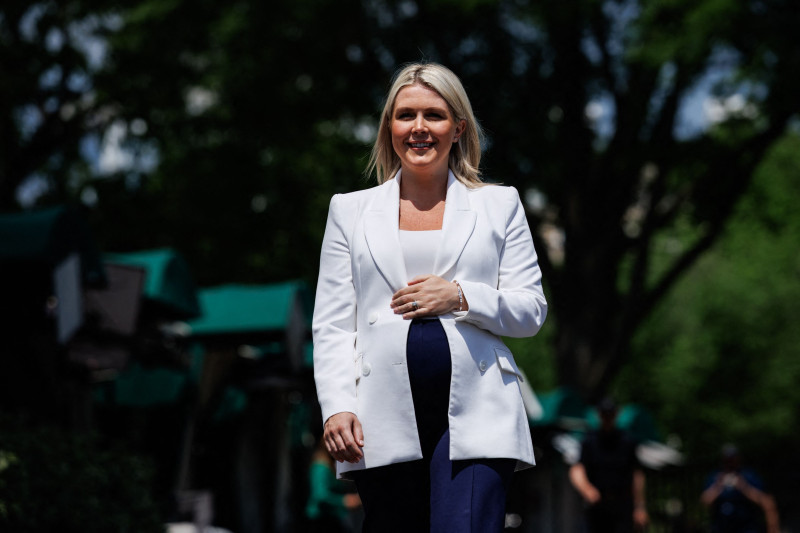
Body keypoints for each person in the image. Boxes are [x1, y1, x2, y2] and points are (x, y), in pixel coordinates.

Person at [312, 62, 548, 532]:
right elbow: (335, 324)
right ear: (389, 127)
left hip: (480, 413)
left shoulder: (500, 204)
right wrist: (337, 406)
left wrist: (460, 296)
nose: (419, 128)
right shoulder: (349, 211)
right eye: (405, 115)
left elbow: (531, 311)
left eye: (434, 115)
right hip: (380, 415)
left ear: (458, 128)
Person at [568, 398, 649, 533]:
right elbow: (577, 469)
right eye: (604, 414)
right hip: (597, 506)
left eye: (610, 414)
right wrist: (587, 489)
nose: (607, 418)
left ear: (617, 414)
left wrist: (640, 507)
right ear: (598, 415)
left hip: (622, 504)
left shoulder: (627, 441)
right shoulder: (589, 441)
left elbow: (637, 475)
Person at [700, 444, 781, 533]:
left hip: (747, 528)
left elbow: (766, 501)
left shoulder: (749, 475)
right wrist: (718, 486)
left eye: (732, 459)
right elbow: (705, 501)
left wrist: (743, 487)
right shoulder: (714, 477)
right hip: (721, 528)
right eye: (727, 459)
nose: (729, 462)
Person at [305, 438, 362, 533]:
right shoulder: (321, 467)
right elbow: (320, 495)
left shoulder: (330, 465)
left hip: (331, 519)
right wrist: (344, 501)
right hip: (321, 521)